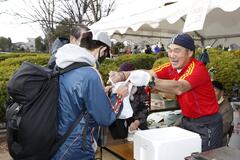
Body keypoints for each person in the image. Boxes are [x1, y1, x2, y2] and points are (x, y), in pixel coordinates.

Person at [109, 33, 223, 152]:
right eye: (170, 50)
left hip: (207, 124)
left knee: (206, 156)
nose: (172, 55)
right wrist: (123, 75)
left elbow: (179, 87)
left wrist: (149, 82)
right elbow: (149, 72)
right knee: (187, 154)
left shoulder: (197, 68)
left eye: (177, 51)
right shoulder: (171, 67)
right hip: (187, 120)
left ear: (190, 52)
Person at [52, 25, 128, 160]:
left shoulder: (63, 65)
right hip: (78, 147)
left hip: (59, 141)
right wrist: (119, 95)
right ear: (102, 49)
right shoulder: (89, 73)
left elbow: (74, 97)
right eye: (106, 53)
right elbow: (105, 117)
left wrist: (100, 91)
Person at [212, 80, 233, 146]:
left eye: (215, 91)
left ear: (221, 93)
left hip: (217, 144)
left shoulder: (227, 108)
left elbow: (222, 129)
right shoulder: (206, 104)